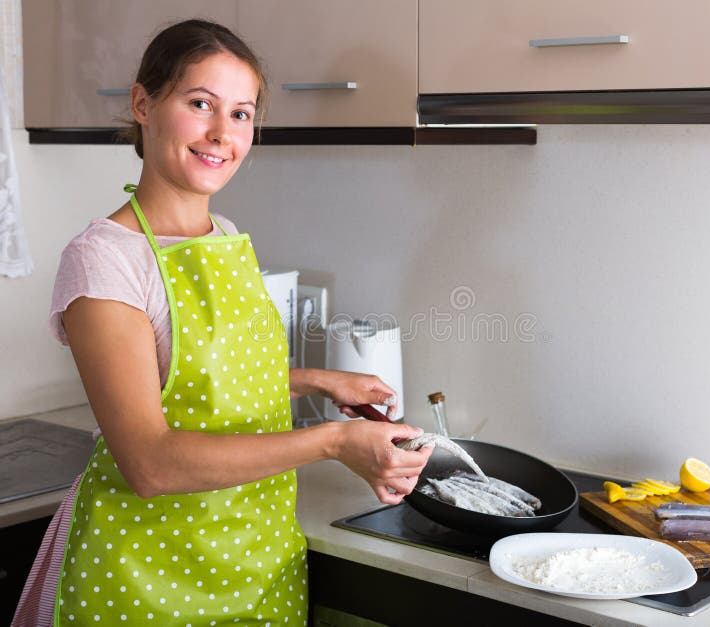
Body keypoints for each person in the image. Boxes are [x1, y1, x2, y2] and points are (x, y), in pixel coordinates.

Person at [13, 19, 431, 627]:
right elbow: (149, 462)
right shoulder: (103, 258)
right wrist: (335, 442)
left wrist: (316, 380)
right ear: (143, 104)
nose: (221, 133)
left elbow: (205, 381)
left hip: (257, 566)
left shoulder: (226, 237)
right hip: (145, 578)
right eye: (200, 103)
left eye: (241, 113)